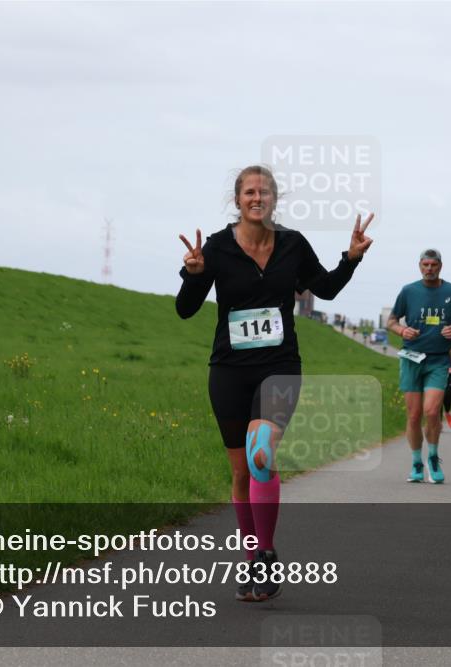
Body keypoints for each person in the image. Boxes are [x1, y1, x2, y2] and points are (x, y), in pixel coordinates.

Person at [176, 165, 374, 601]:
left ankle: (265, 555)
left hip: (279, 367)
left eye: (264, 191)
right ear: (238, 199)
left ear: (275, 199)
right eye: (249, 192)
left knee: (260, 453)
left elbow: (325, 289)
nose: (257, 198)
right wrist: (193, 275)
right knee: (241, 472)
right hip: (229, 370)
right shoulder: (217, 248)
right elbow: (186, 310)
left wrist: (351, 259)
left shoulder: (292, 245)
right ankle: (252, 563)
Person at [387, 249, 451, 484]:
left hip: (439, 359)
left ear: (440, 266)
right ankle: (416, 463)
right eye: (425, 265)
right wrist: (402, 330)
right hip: (411, 358)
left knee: (432, 411)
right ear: (419, 266)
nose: (429, 269)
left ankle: (432, 457)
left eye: (433, 265)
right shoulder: (408, 291)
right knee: (413, 415)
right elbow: (391, 321)